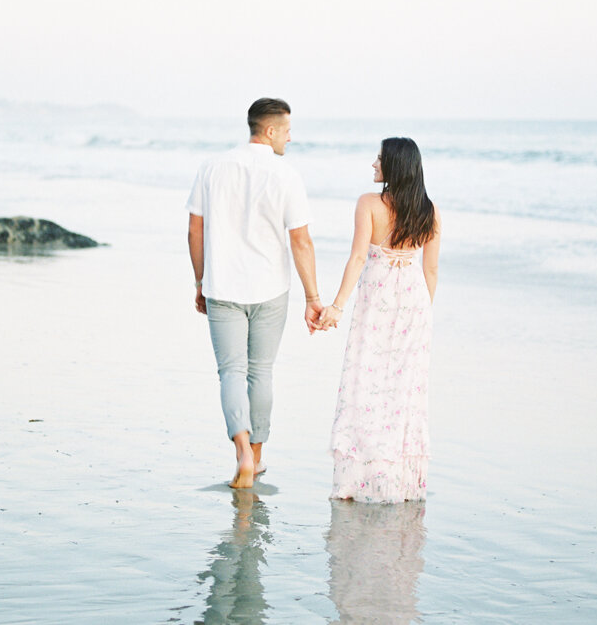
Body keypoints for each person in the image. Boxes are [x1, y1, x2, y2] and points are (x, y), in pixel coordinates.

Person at [187, 98, 324, 489]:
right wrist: (313, 298)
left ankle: (242, 451)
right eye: (287, 130)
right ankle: (259, 458)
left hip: (222, 285)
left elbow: (195, 230)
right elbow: (301, 240)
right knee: (260, 372)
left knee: (231, 371)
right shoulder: (286, 175)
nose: (290, 138)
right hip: (269, 288)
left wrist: (199, 281)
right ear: (270, 131)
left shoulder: (211, 167)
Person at [319, 137, 441, 502]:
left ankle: (361, 480)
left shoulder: (369, 204)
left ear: (396, 166)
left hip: (377, 303)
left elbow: (358, 258)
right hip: (415, 306)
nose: (374, 164)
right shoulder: (430, 211)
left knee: (365, 384)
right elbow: (431, 271)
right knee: (404, 392)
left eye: (379, 159)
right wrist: (423, 316)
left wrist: (337, 306)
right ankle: (400, 482)